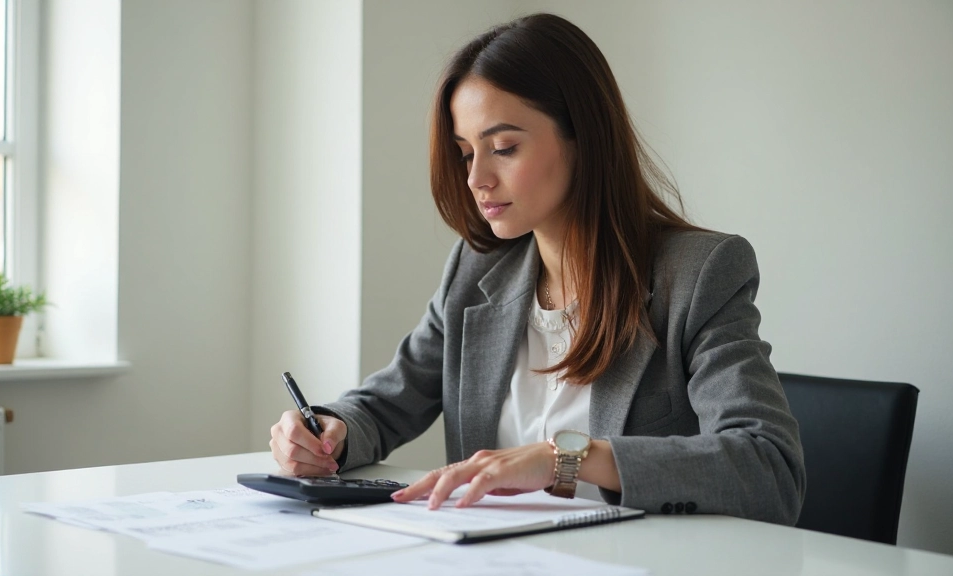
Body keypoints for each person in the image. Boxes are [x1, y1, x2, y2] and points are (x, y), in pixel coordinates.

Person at [269, 13, 805, 525]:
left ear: (583, 139)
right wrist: (330, 432)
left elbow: (768, 468)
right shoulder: (476, 271)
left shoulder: (698, 274)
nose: (476, 178)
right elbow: (386, 405)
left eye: (503, 147)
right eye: (464, 153)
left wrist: (562, 459)